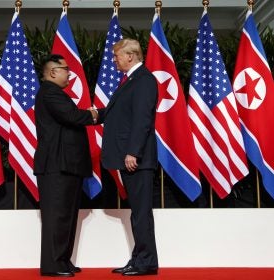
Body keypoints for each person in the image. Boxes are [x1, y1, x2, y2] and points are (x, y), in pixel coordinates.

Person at [97, 38, 159, 276]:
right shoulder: (131, 80)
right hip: (130, 157)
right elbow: (118, 114)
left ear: (130, 56)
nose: (114, 60)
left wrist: (133, 151)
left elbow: (142, 120)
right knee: (137, 212)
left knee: (141, 213)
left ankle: (146, 263)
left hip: (137, 159)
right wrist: (94, 115)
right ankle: (139, 259)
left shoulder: (143, 80)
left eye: (117, 56)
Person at [33, 54, 98, 277]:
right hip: (56, 165)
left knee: (67, 216)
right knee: (57, 216)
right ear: (53, 72)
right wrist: (96, 114)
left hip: (66, 164)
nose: (69, 73)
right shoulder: (50, 92)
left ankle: (62, 261)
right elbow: (72, 116)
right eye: (65, 69)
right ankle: (52, 265)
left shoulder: (55, 93)